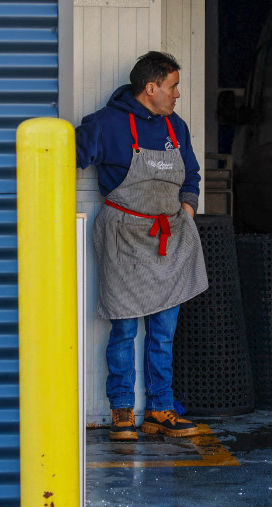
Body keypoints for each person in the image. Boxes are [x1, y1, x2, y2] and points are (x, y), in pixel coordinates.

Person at [76, 51, 208, 441]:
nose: (177, 95)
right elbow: (61, 158)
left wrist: (187, 206)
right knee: (123, 329)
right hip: (124, 238)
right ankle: (121, 412)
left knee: (164, 331)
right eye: (173, 86)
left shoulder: (176, 127)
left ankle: (160, 410)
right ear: (151, 88)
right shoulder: (104, 124)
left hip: (167, 238)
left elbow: (192, 173)